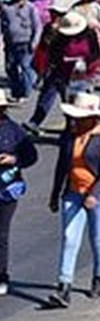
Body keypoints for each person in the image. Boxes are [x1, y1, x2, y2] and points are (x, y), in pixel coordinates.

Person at [47, 93, 100, 308]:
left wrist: (94, 194)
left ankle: (99, 277)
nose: (76, 121)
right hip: (73, 192)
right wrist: (55, 193)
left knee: (97, 239)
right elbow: (62, 166)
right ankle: (64, 286)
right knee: (69, 238)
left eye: (80, 117)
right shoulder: (69, 135)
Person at [25, 11, 100, 136]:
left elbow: (95, 54)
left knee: (73, 103)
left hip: (80, 75)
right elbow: (52, 54)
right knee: (48, 97)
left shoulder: (89, 35)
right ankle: (35, 121)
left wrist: (90, 70)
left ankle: (71, 129)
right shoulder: (60, 37)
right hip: (60, 73)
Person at [0, 90, 39, 296]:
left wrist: (13, 159)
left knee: (1, 234)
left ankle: (2, 275)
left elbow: (31, 156)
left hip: (6, 190)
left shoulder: (14, 131)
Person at [1, 0, 42, 100]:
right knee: (10, 67)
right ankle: (16, 92)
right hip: (10, 43)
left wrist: (34, 42)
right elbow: (3, 24)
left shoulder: (30, 8)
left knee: (24, 66)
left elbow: (37, 26)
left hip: (26, 42)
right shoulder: (6, 7)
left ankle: (25, 93)